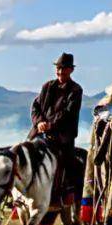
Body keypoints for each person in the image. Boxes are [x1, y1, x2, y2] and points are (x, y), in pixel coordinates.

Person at [29, 52, 83, 196]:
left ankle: (67, 193)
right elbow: (35, 106)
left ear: (71, 70)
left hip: (62, 135)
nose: (60, 72)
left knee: (67, 162)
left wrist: (50, 125)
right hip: (40, 131)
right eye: (58, 68)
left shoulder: (75, 90)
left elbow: (68, 113)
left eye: (64, 68)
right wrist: (39, 122)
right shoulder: (47, 86)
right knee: (24, 154)